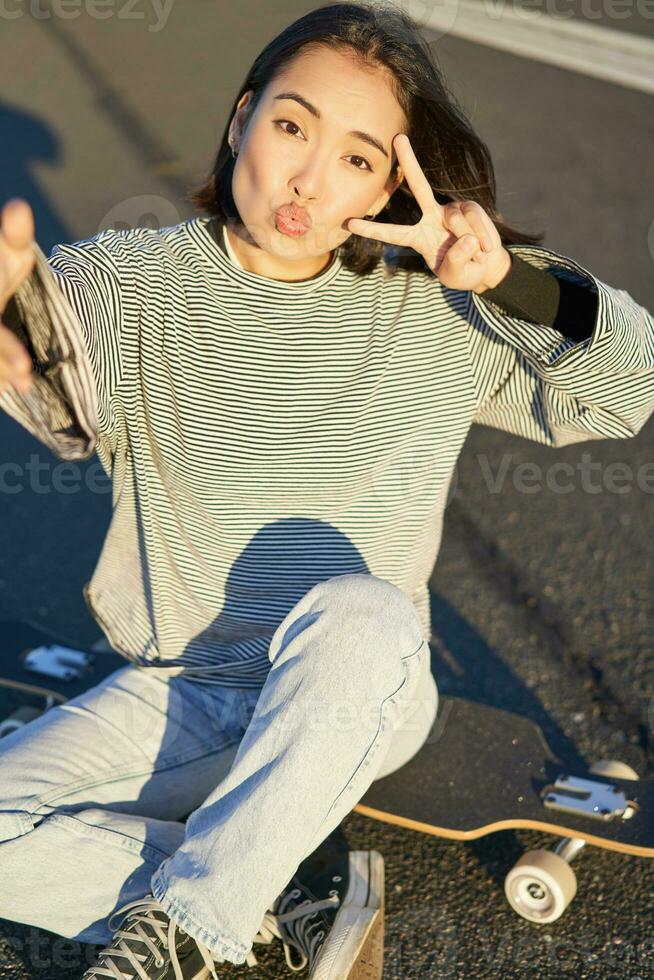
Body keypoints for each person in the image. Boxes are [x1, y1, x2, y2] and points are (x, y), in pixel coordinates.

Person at [1, 2, 652, 978]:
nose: (308, 176)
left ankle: (189, 929)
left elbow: (626, 391)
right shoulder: (131, 283)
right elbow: (60, 395)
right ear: (240, 119)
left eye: (357, 156)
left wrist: (508, 281)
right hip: (187, 686)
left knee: (362, 610)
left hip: (358, 686)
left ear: (394, 182)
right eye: (292, 126)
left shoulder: (436, 309)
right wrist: (13, 313)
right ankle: (259, 907)